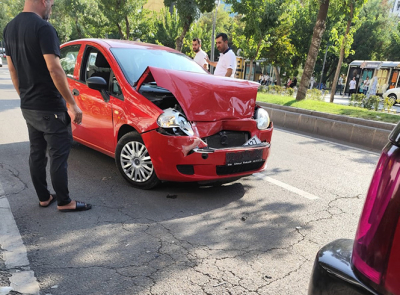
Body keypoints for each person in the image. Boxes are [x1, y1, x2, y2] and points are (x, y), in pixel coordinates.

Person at [3, 0, 91, 212]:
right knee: (58, 153)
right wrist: (72, 103)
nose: (51, 6)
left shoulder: (10, 28)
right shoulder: (44, 28)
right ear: (43, 1)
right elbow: (55, 69)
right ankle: (64, 201)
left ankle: (44, 197)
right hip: (50, 107)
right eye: (51, 2)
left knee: (36, 152)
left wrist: (24, 97)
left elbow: (12, 69)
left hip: (29, 105)